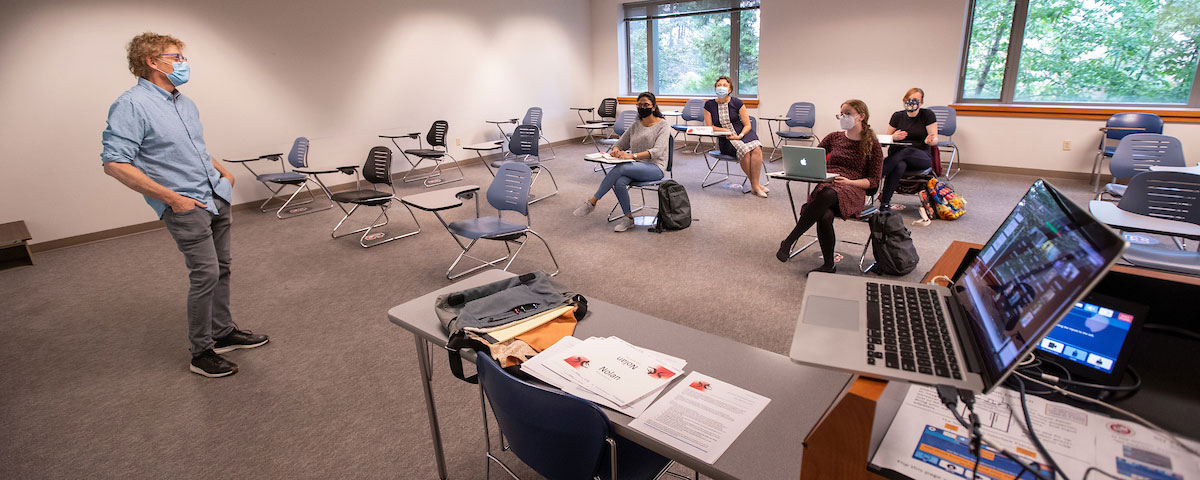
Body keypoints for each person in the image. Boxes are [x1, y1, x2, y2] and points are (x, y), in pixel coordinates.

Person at [101, 32, 268, 378]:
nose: (183, 63)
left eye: (182, 57)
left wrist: (224, 174)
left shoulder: (184, 103)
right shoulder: (131, 105)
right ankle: (201, 351)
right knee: (205, 274)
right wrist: (173, 200)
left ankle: (223, 333)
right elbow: (115, 163)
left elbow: (195, 147)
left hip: (216, 195)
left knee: (222, 268)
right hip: (186, 205)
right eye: (175, 57)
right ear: (151, 61)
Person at [776, 100, 883, 273]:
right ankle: (828, 265)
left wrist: (849, 182)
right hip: (828, 184)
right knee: (824, 214)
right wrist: (803, 170)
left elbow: (873, 181)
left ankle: (790, 240)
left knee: (827, 194)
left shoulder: (873, 145)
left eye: (848, 114)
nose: (843, 117)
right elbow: (812, 158)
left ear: (861, 117)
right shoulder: (834, 137)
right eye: (841, 114)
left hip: (853, 189)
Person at [573, 92, 672, 232]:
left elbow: (658, 151)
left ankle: (592, 202)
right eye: (640, 105)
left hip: (655, 167)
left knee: (621, 169)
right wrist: (616, 150)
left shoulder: (663, 125)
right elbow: (621, 143)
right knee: (619, 182)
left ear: (654, 107)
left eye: (646, 105)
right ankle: (628, 218)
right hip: (637, 167)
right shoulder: (636, 125)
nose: (643, 107)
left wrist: (632, 156)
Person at [703, 76, 768, 198]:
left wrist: (740, 135)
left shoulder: (737, 102)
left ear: (730, 89)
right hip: (725, 138)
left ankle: (755, 185)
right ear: (715, 88)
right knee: (745, 151)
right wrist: (725, 130)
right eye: (718, 85)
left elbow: (748, 124)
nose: (721, 87)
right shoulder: (709, 105)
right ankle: (755, 186)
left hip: (743, 132)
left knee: (756, 148)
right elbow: (710, 126)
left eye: (724, 85)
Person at [879, 87, 938, 211]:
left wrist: (930, 141)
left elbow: (935, 139)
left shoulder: (927, 115)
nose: (911, 102)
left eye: (915, 100)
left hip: (920, 156)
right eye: (909, 99)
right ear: (904, 100)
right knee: (899, 165)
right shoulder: (897, 116)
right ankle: (884, 204)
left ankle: (878, 173)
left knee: (907, 151)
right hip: (898, 158)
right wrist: (893, 137)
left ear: (921, 102)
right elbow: (886, 138)